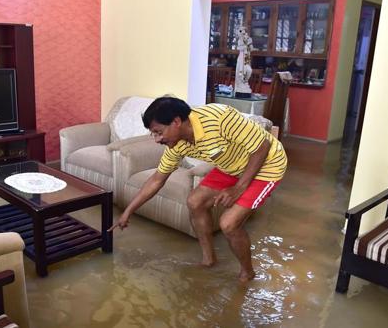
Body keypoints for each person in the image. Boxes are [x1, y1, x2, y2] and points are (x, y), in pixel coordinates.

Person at [108, 97, 287, 282]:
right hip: (232, 166)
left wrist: (239, 188)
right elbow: (157, 179)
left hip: (266, 165)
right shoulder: (177, 144)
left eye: (158, 132)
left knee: (229, 224)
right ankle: (209, 260)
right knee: (194, 201)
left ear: (176, 122)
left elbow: (263, 146)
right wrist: (128, 212)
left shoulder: (220, 118)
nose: (157, 139)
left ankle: (247, 273)